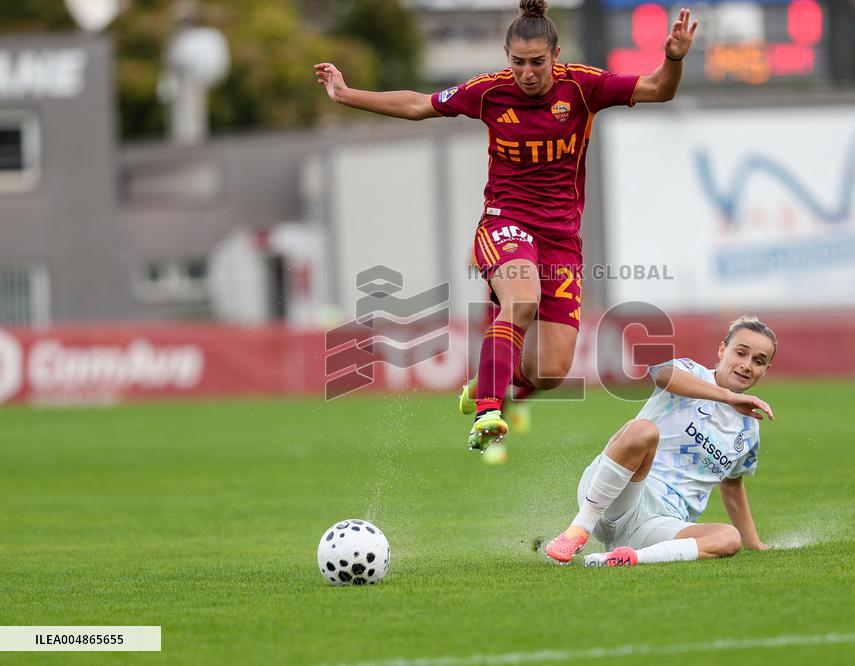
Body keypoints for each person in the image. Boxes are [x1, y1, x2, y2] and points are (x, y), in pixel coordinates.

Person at [315, 1, 699, 453]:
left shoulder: (583, 87)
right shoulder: (489, 92)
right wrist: (347, 94)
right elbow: (419, 104)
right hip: (505, 222)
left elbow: (658, 88)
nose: (527, 73)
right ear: (506, 57)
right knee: (522, 299)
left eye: (537, 62)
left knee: (550, 372)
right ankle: (488, 412)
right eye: (518, 62)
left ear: (556, 56)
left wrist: (672, 58)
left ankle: (490, 379)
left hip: (560, 240)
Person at [545, 316, 776, 566]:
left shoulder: (749, 429)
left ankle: (625, 558)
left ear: (765, 370)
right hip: (612, 497)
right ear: (722, 350)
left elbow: (732, 484)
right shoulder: (692, 372)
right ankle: (578, 530)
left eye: (758, 361)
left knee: (729, 538)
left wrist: (754, 543)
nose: (746, 365)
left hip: (658, 524)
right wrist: (727, 397)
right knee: (642, 430)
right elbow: (663, 376)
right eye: (740, 353)